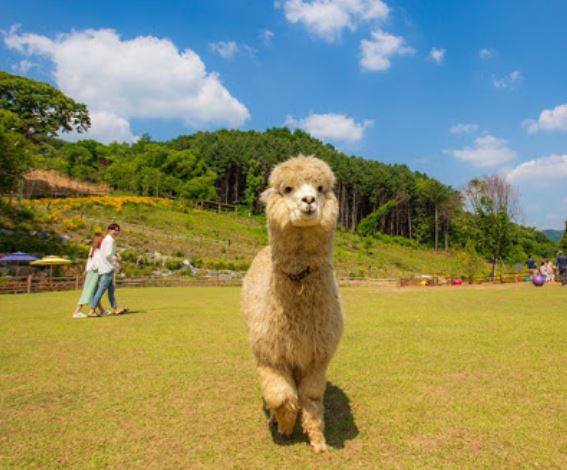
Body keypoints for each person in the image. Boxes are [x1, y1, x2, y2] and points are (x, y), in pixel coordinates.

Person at [87, 223, 127, 317]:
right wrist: (117, 258)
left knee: (111, 290)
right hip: (107, 268)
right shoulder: (109, 240)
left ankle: (116, 308)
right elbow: (108, 255)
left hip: (106, 268)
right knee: (101, 290)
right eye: (114, 229)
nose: (116, 231)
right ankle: (92, 310)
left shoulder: (108, 240)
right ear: (109, 230)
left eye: (118, 230)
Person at [72, 235, 108, 318]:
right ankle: (77, 312)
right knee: (88, 292)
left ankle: (101, 310)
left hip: (91, 272)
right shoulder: (98, 252)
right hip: (94, 272)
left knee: (95, 293)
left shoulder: (92, 250)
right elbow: (96, 265)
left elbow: (89, 262)